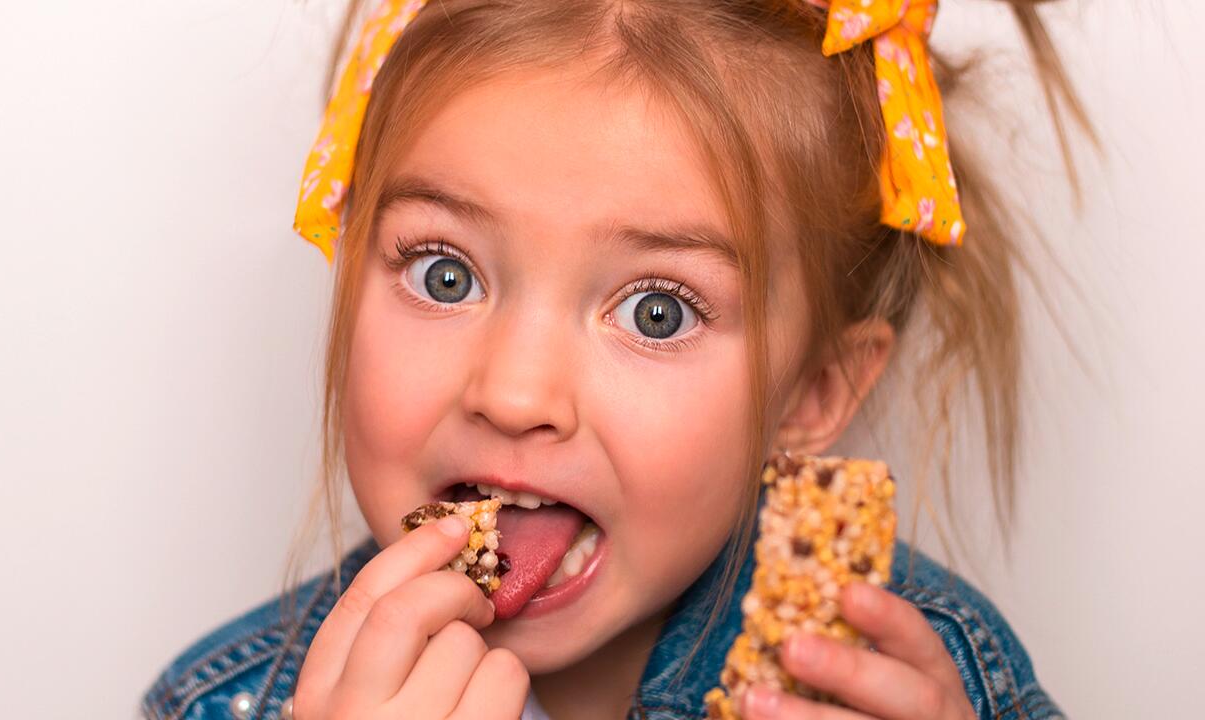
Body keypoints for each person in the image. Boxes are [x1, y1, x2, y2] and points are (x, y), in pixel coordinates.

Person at [142, 1, 1094, 718]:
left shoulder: (925, 680)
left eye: (656, 309)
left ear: (813, 390)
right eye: (443, 275)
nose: (515, 393)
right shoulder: (223, 698)